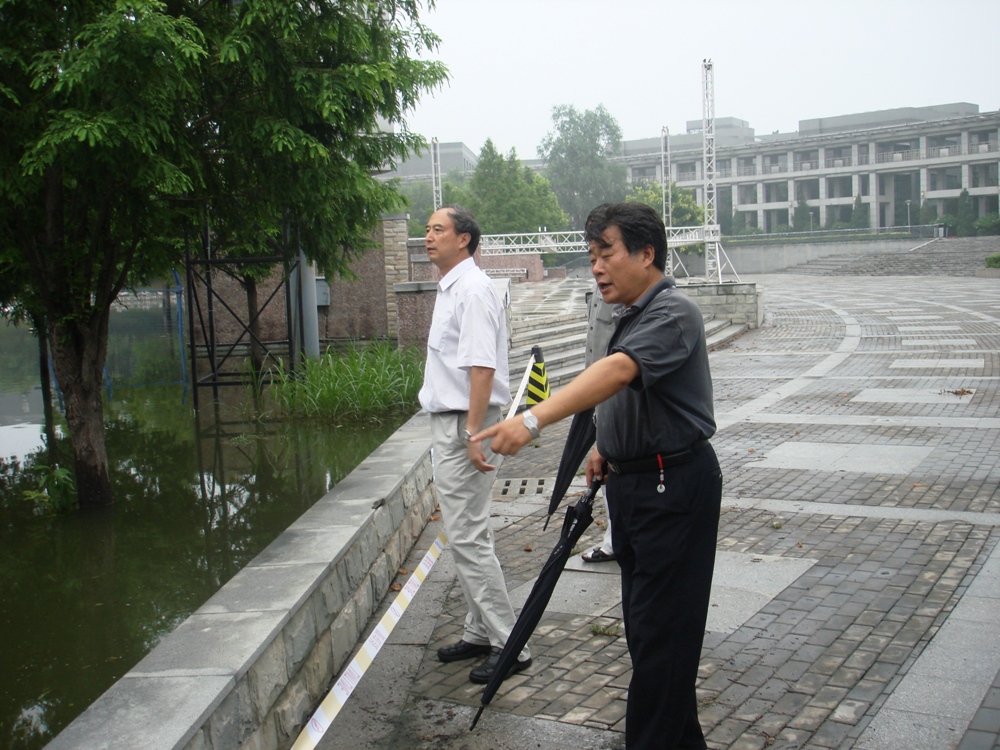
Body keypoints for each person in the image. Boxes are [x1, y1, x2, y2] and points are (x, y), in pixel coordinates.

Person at [475, 202, 722, 749]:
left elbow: (615, 372)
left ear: (646, 253)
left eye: (606, 252)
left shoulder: (673, 311)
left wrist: (534, 417)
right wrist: (605, 446)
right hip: (634, 485)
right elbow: (621, 392)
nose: (597, 266)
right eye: (591, 256)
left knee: (661, 644)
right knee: (651, 637)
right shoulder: (627, 312)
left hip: (674, 488)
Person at [418, 204, 531, 685]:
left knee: (466, 536)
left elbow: (482, 367)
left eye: (437, 229)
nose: (427, 237)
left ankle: (510, 644)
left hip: (467, 424)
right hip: (452, 422)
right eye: (426, 230)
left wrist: (472, 434)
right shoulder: (453, 289)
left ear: (464, 239)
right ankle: (479, 632)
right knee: (468, 534)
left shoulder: (474, 290)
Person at [581, 281, 617, 564]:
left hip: (613, 392)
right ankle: (616, 539)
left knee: (611, 468)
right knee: (606, 473)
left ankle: (616, 542)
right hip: (598, 391)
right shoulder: (601, 285)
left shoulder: (628, 290)